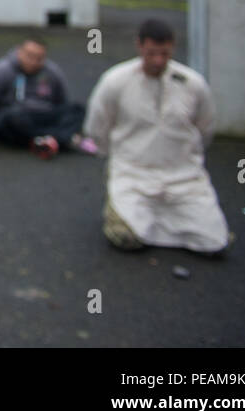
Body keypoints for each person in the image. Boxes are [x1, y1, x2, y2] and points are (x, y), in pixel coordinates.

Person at [83, 19, 229, 255]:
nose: (158, 60)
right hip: (133, 173)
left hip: (184, 177)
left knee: (214, 242)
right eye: (151, 53)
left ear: (173, 48)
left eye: (165, 53)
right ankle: (118, 203)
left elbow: (205, 128)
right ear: (139, 46)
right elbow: (97, 128)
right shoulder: (115, 81)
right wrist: (117, 159)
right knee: (126, 236)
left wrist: (187, 158)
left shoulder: (193, 84)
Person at [0, 38, 91, 158]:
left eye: (39, 58)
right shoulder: (2, 70)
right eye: (29, 56)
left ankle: (43, 140)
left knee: (78, 110)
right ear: (19, 52)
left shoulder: (52, 72)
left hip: (42, 115)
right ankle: (61, 138)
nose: (33, 61)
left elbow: (62, 101)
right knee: (10, 119)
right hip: (15, 116)